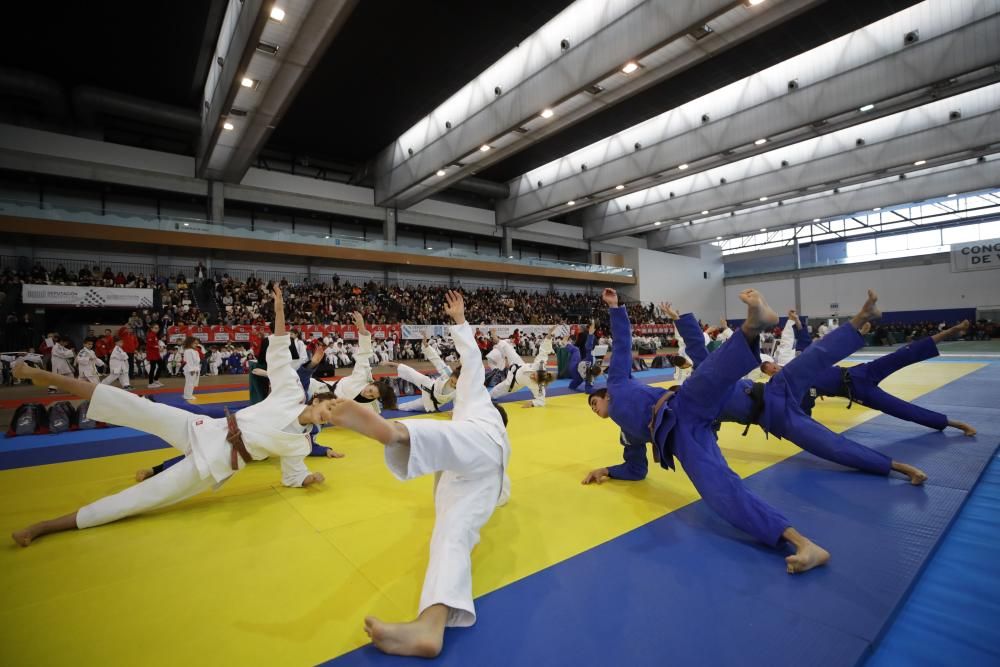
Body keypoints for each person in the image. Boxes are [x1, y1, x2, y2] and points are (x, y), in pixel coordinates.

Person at [10, 285, 328, 548]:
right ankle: (47, 376)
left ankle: (46, 526)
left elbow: (293, 477)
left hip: (216, 463)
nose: (326, 416)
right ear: (319, 400)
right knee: (132, 404)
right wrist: (280, 310)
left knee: (142, 498)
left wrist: (309, 479)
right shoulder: (290, 392)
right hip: (206, 427)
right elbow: (278, 349)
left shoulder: (300, 445)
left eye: (331, 417)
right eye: (330, 407)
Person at [584, 287, 829, 574]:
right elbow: (636, 469)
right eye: (591, 407)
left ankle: (753, 325)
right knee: (720, 491)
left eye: (594, 401)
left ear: (605, 395)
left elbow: (623, 344)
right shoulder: (627, 435)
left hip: (681, 405)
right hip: (684, 440)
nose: (593, 407)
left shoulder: (617, 384)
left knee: (708, 374)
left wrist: (615, 308)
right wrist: (608, 470)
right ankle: (804, 544)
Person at [324, 290, 510, 658]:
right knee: (449, 537)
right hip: (470, 477)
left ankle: (395, 433)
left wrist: (460, 322)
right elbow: (498, 493)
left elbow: (472, 361)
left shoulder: (477, 403)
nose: (457, 381)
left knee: (457, 436)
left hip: (481, 443)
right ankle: (430, 625)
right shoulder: (460, 407)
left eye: (458, 379)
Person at [662, 296, 927, 485]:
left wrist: (679, 320)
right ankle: (897, 467)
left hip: (775, 389)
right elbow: (708, 441)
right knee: (831, 445)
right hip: (776, 417)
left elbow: (697, 349)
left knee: (813, 357)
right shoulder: (699, 411)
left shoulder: (707, 382)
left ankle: (861, 318)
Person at [763, 320, 977, 436]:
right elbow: (805, 412)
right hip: (857, 391)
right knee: (901, 409)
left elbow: (810, 346)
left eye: (770, 366)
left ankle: (952, 330)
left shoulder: (797, 363)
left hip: (860, 371)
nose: (772, 369)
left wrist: (798, 322)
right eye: (768, 371)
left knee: (905, 353)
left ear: (774, 362)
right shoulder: (795, 386)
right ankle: (953, 423)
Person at [390, 334, 459, 413]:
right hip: (429, 384)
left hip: (432, 402)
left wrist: (454, 411)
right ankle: (394, 364)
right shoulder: (448, 373)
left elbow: (459, 403)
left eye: (455, 384)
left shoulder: (460, 390)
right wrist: (426, 346)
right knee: (412, 373)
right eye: (452, 381)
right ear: (451, 376)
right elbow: (437, 361)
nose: (453, 385)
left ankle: (395, 406)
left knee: (410, 406)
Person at [487, 335, 555, 408]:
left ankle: (486, 397)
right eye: (534, 374)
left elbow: (541, 401)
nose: (532, 376)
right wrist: (548, 337)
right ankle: (495, 337)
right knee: (508, 348)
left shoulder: (538, 387)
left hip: (513, 382)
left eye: (534, 378)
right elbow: (544, 352)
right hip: (518, 364)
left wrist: (532, 403)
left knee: (495, 391)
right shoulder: (540, 365)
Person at [146, 324, 165, 388]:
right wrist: (158, 347)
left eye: (158, 328)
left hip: (156, 354)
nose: (157, 329)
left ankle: (156, 379)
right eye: (155, 328)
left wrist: (158, 347)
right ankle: (150, 383)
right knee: (153, 368)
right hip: (152, 354)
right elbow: (150, 345)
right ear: (151, 328)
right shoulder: (150, 335)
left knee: (161, 365)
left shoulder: (155, 335)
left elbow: (154, 344)